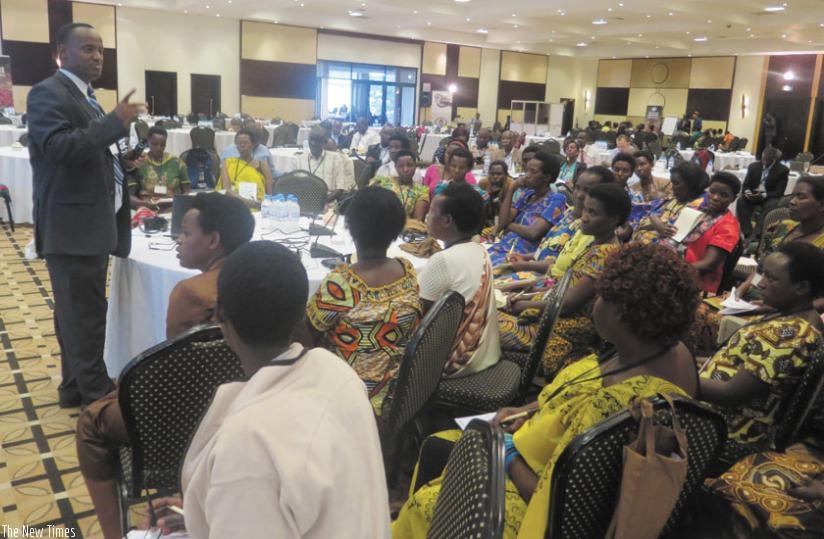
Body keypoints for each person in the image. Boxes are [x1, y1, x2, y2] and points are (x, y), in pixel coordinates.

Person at [393, 243, 701, 539]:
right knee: (437, 445)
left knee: (430, 502)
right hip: (550, 457)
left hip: (534, 503)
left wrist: (507, 450)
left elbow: (563, 508)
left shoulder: (615, 404)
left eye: (601, 296)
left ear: (619, 313)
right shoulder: (670, 353)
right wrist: (531, 411)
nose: (594, 305)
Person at [144, 241, 390, 538]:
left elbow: (261, 484)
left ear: (219, 312)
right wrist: (208, 507)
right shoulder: (338, 374)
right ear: (302, 312)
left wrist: (230, 494)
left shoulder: (248, 442)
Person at [76, 193, 255, 539]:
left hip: (185, 423)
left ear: (214, 241)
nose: (178, 240)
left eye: (186, 234)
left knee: (90, 423)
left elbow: (181, 375)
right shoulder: (257, 282)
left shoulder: (190, 292)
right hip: (242, 409)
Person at [27, 23, 143, 408]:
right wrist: (114, 123)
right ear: (62, 52)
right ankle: (98, 399)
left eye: (101, 51)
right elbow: (59, 148)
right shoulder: (48, 93)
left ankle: (73, 388)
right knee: (85, 317)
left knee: (76, 314)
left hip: (89, 225)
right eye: (88, 49)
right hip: (71, 228)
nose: (97, 57)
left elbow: (85, 152)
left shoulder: (86, 96)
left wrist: (120, 159)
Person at [305, 187, 421, 417]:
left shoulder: (341, 283)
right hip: (398, 392)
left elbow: (307, 332)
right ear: (397, 229)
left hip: (345, 395)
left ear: (350, 227)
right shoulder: (407, 271)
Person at [497, 182, 630, 375]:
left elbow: (566, 304)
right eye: (585, 209)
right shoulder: (596, 245)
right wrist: (526, 295)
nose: (584, 217)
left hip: (559, 332)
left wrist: (523, 305)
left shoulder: (604, 254)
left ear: (613, 219)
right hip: (552, 319)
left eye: (593, 213)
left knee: (483, 322)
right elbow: (561, 286)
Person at [700, 242, 824, 448]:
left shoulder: (789, 336)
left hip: (725, 431)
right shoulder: (788, 314)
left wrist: (679, 377)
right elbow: (739, 361)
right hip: (716, 413)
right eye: (763, 275)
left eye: (771, 278)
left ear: (801, 288)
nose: (760, 284)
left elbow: (731, 394)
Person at [420, 182, 500, 376]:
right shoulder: (479, 249)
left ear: (447, 220)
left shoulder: (443, 260)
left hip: (456, 366)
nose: (427, 217)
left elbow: (420, 323)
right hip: (487, 356)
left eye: (431, 212)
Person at [497, 166, 614, 284]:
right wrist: (526, 257)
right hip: (535, 267)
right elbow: (552, 248)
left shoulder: (589, 228)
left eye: (587, 191)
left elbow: (562, 265)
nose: (579, 195)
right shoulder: (569, 212)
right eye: (577, 188)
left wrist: (525, 264)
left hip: (546, 279)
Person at [735, 176, 824, 304]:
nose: (792, 202)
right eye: (793, 196)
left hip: (793, 311)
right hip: (752, 300)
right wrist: (743, 289)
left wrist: (778, 310)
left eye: (801, 197)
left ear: (821, 205)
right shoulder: (778, 227)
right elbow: (761, 271)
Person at [660, 172, 741, 294]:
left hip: (694, 283)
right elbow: (674, 236)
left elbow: (709, 264)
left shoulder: (728, 226)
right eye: (712, 191)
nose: (715, 197)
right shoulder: (697, 209)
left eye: (723, 195)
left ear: (733, 199)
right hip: (671, 266)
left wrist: (673, 269)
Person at [486, 151, 567, 266]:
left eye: (533, 172)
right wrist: (511, 189)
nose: (526, 175)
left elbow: (533, 233)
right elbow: (503, 220)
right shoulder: (528, 194)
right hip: (504, 246)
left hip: (523, 254)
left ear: (547, 177)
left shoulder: (556, 200)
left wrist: (508, 226)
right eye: (527, 170)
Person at [632, 161, 708, 245]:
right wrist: (653, 220)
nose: (672, 187)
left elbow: (671, 234)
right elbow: (641, 211)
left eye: (676, 183)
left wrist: (654, 222)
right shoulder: (676, 198)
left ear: (691, 184)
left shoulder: (698, 205)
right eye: (672, 182)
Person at [127, 126, 189, 209]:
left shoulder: (177, 163)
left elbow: (187, 192)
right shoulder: (139, 163)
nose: (159, 148)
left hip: (173, 207)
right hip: (147, 208)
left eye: (162, 145)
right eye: (155, 144)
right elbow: (130, 198)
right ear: (148, 142)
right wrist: (148, 205)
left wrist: (179, 205)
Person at [736, 147, 790, 239]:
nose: (764, 162)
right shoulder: (753, 166)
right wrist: (748, 193)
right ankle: (747, 232)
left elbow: (779, 192)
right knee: (741, 201)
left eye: (767, 160)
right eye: (763, 159)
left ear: (774, 159)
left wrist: (763, 195)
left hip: (769, 196)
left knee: (771, 206)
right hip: (753, 195)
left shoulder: (783, 170)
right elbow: (746, 185)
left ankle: (757, 233)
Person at [293, 125, 353, 198]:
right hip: (304, 202)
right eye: (311, 139)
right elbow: (294, 187)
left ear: (325, 142)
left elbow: (340, 189)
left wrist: (321, 202)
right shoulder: (299, 160)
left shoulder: (336, 159)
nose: (313, 143)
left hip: (328, 201)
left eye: (317, 140)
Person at [370, 149, 429, 220]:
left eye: (410, 165)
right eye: (401, 166)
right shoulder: (382, 182)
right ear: (395, 167)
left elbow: (418, 219)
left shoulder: (421, 191)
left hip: (407, 229)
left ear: (415, 167)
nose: (405, 169)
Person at [220, 128, 272, 203]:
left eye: (245, 142)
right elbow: (226, 189)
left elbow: (269, 195)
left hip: (258, 204)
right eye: (238, 143)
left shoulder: (262, 165)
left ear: (253, 144)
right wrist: (248, 202)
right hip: (234, 203)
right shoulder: (228, 163)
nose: (242, 145)